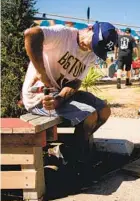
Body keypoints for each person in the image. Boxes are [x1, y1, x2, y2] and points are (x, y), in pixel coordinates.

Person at [22, 22, 118, 157]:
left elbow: (75, 83)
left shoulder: (91, 55)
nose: (91, 48)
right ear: (90, 28)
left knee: (104, 111)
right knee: (89, 115)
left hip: (60, 94)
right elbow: (31, 34)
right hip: (38, 97)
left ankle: (68, 151)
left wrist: (59, 100)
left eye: (96, 47)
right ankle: (77, 157)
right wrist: (41, 72)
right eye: (94, 43)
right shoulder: (64, 34)